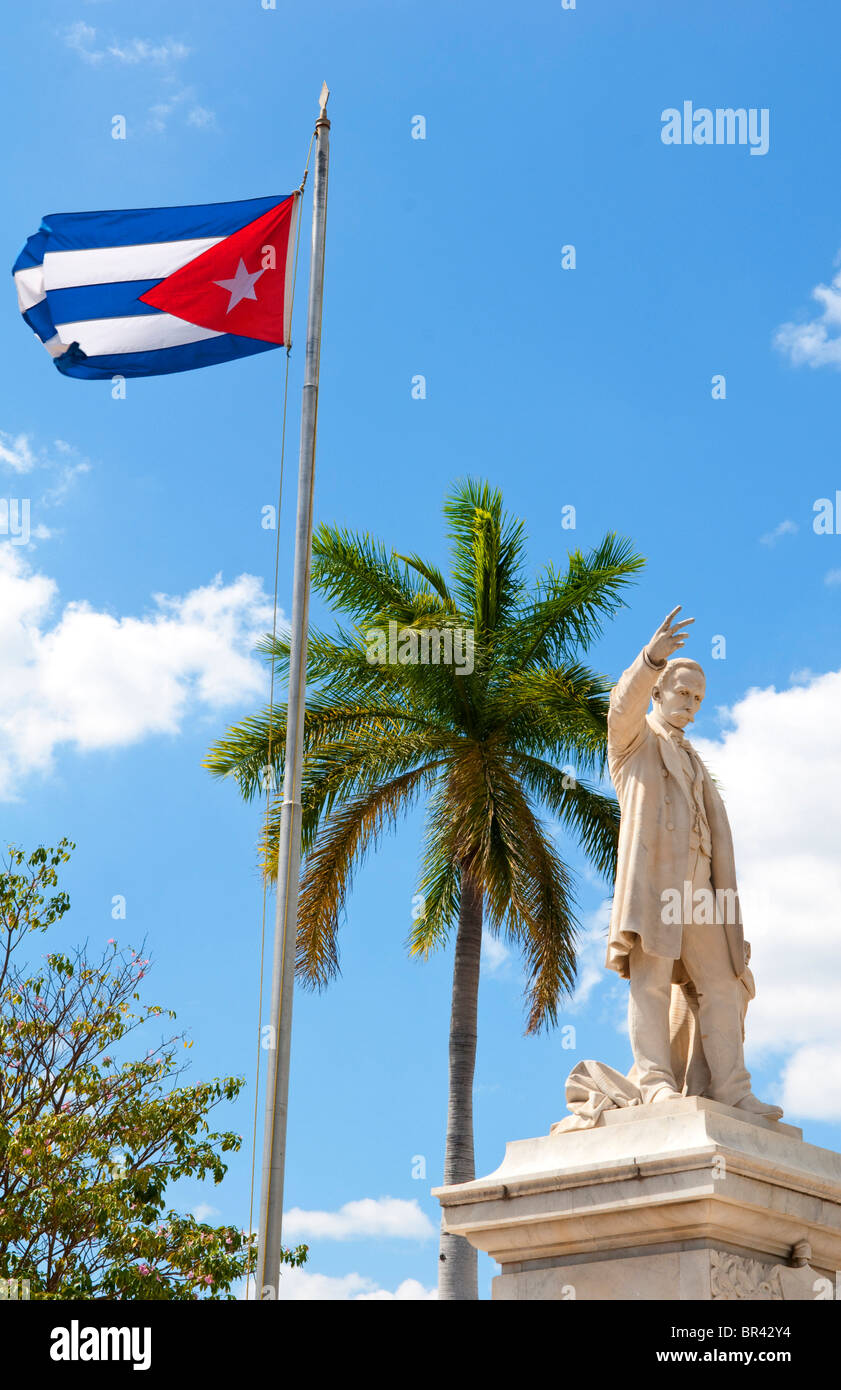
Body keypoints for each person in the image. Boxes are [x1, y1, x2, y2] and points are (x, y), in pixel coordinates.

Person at [605, 606, 782, 1119]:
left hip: (701, 890)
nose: (691, 704)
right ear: (658, 691)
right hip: (656, 881)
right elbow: (620, 709)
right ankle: (655, 1081)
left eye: (699, 699)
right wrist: (650, 658)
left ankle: (731, 1088)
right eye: (682, 693)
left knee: (724, 984)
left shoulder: (694, 758)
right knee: (652, 981)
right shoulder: (635, 742)